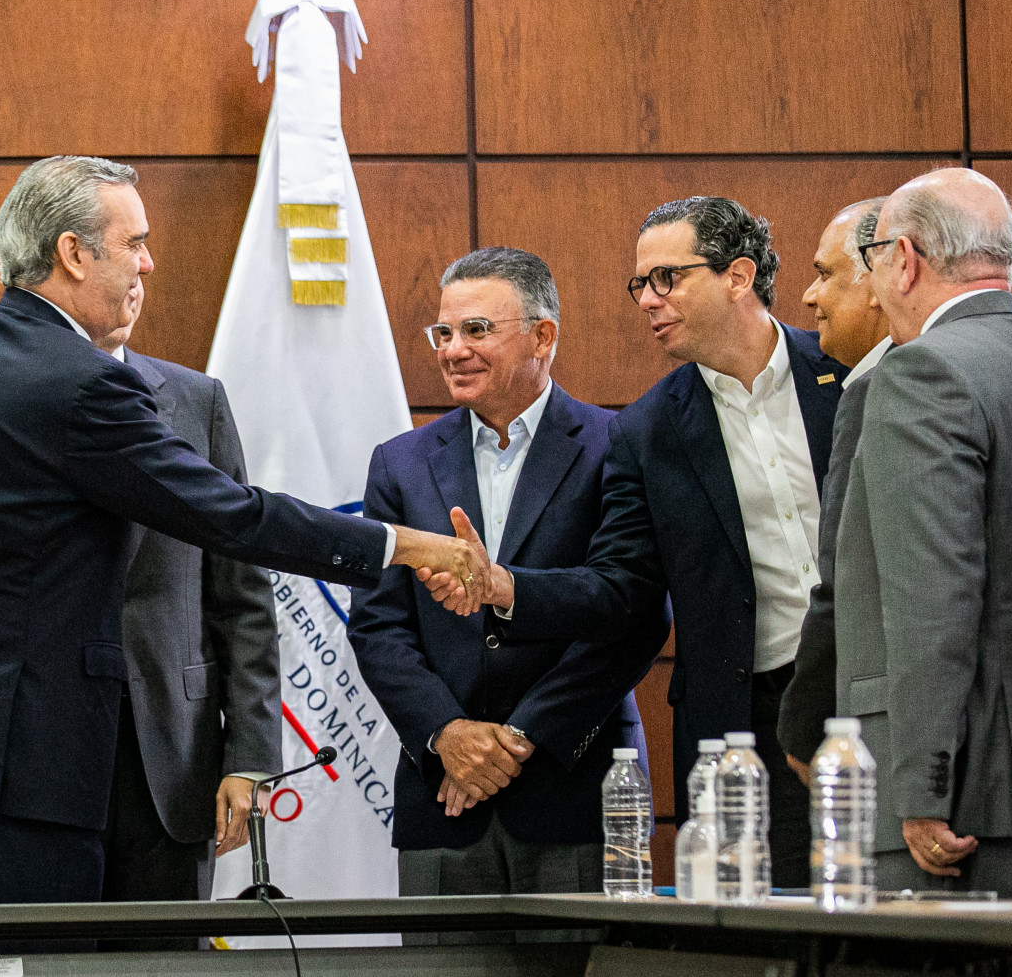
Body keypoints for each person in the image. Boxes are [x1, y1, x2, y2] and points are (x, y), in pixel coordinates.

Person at [0, 155, 484, 909]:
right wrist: (405, 544)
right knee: (44, 964)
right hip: (32, 774)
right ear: (73, 252)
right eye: (134, 242)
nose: (148, 262)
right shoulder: (82, 380)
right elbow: (231, 515)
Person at [439, 197, 850, 886]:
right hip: (747, 722)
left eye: (667, 278)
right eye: (640, 284)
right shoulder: (648, 429)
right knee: (761, 927)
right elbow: (620, 589)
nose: (648, 300)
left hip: (866, 690)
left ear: (738, 276)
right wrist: (506, 586)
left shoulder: (845, 374)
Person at [348, 248, 668, 922]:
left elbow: (634, 613)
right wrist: (447, 733)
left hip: (575, 785)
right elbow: (378, 626)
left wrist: (519, 738)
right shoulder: (399, 464)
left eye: (477, 330)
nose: (453, 350)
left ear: (542, 336)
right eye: (444, 332)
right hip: (444, 797)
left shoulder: (619, 444)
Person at [836, 167, 1012, 896]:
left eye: (873, 259)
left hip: (957, 800)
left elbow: (932, 602)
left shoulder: (920, 372)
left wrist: (921, 786)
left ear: (905, 259)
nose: (873, 287)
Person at [92, 285, 277, 921]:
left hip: (174, 754)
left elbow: (242, 596)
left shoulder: (198, 401)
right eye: (126, 251)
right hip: (46, 762)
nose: (139, 277)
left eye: (144, 256)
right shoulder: (17, 402)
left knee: (169, 958)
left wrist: (251, 757)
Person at [779, 198, 891, 775]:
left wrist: (802, 727)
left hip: (879, 726)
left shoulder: (879, 389)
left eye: (825, 273)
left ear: (877, 281)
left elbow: (848, 576)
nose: (808, 295)